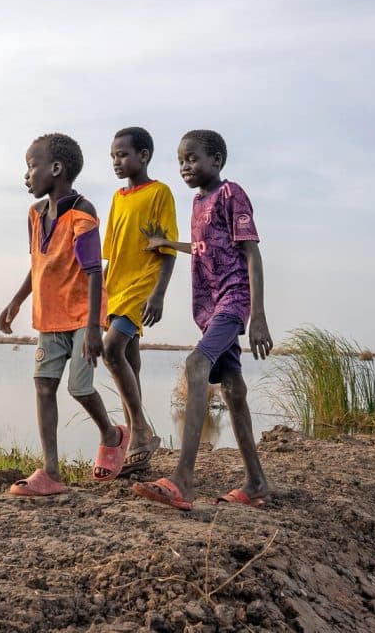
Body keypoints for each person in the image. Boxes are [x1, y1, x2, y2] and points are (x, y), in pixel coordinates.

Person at [133, 129, 273, 510]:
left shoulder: (232, 194)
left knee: (196, 364)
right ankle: (257, 482)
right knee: (232, 388)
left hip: (232, 301)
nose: (185, 166)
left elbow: (251, 253)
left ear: (217, 161)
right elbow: (202, 248)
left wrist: (257, 315)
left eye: (192, 159)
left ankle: (183, 479)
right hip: (209, 310)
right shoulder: (197, 204)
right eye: (180, 161)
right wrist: (164, 244)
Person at [0, 133, 129, 496]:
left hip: (82, 318)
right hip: (49, 317)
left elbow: (93, 271)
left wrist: (92, 330)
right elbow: (38, 264)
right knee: (43, 386)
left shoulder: (82, 213)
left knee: (78, 386)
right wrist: (17, 301)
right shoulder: (35, 214)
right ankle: (51, 472)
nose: (27, 175)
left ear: (56, 169)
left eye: (32, 166)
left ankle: (111, 433)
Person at [102, 126, 178, 474]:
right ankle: (139, 438)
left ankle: (141, 431)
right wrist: (102, 292)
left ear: (143, 155)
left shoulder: (160, 192)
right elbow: (111, 251)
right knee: (129, 359)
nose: (116, 162)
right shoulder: (118, 198)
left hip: (141, 284)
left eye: (122, 154)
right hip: (116, 286)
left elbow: (167, 248)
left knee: (111, 348)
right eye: (113, 156)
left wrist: (158, 293)